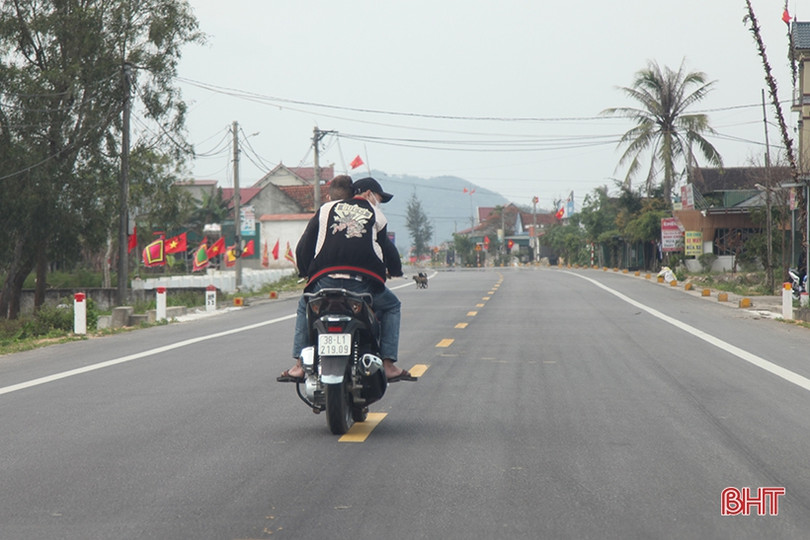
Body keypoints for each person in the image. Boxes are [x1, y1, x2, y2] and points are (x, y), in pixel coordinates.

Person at [278, 176, 416, 383]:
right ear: (368, 194)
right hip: (362, 285)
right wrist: (395, 271)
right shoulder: (375, 214)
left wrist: (306, 272)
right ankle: (388, 365)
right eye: (379, 198)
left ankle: (299, 365)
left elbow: (303, 247)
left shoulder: (326, 209)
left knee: (304, 305)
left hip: (324, 281)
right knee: (392, 306)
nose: (379, 203)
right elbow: (388, 250)